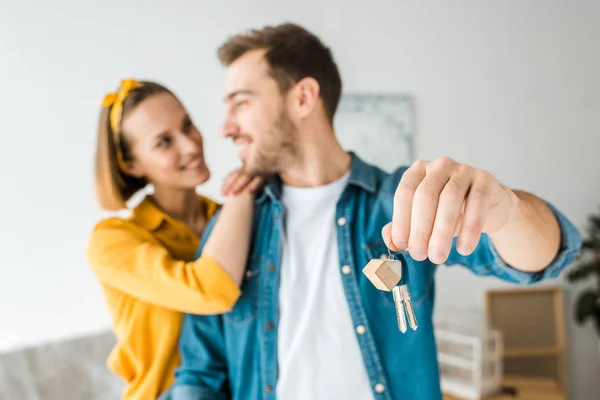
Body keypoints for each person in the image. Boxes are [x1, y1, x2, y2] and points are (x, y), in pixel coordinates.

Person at [170, 23, 582, 400]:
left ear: (303, 97)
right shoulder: (232, 228)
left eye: (240, 103)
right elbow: (200, 374)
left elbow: (545, 256)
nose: (224, 127)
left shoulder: (403, 201)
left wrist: (504, 210)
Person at [86, 79, 260, 400]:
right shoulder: (112, 242)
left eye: (187, 125)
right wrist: (248, 184)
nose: (191, 145)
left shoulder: (231, 218)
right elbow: (211, 290)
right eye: (164, 142)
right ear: (131, 164)